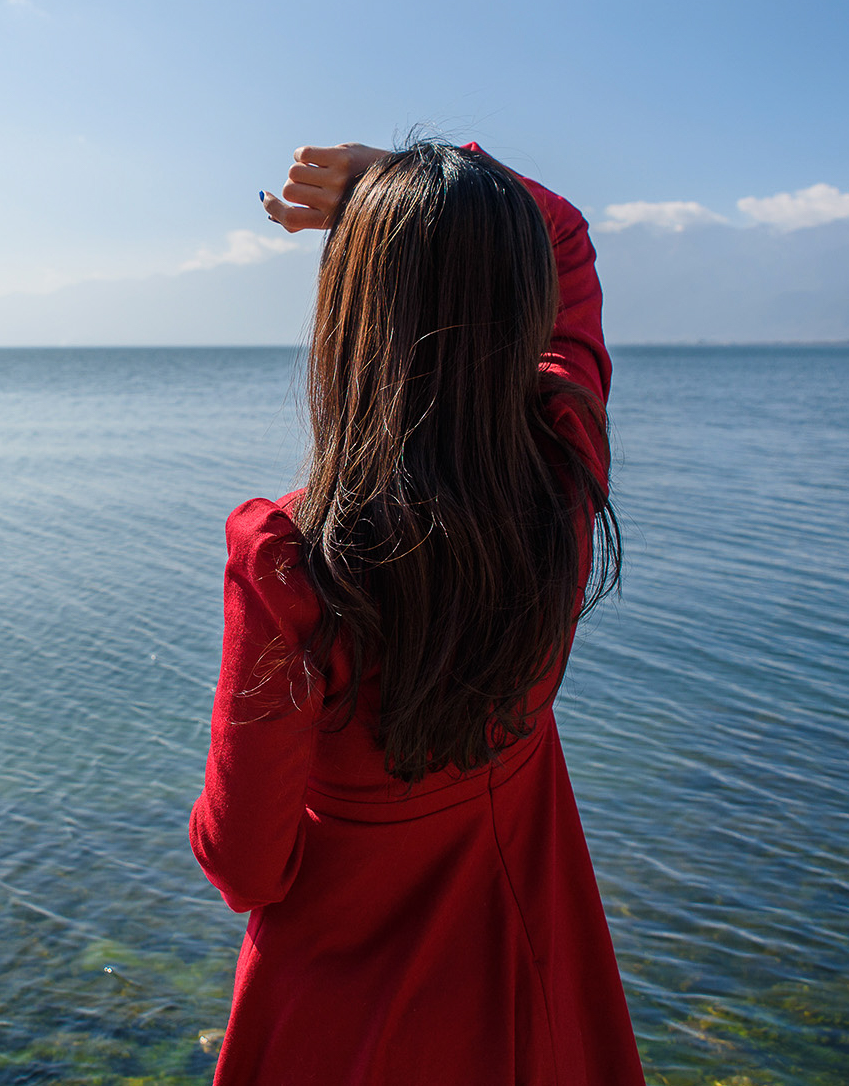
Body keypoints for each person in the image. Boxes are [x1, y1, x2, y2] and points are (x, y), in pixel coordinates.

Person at [189, 139, 641, 1084]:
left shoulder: (293, 565)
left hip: (345, 1028)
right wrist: (416, 177)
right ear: (522, 311)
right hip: (534, 995)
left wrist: (399, 202)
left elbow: (246, 866)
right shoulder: (564, 473)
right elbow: (566, 237)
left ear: (353, 319)